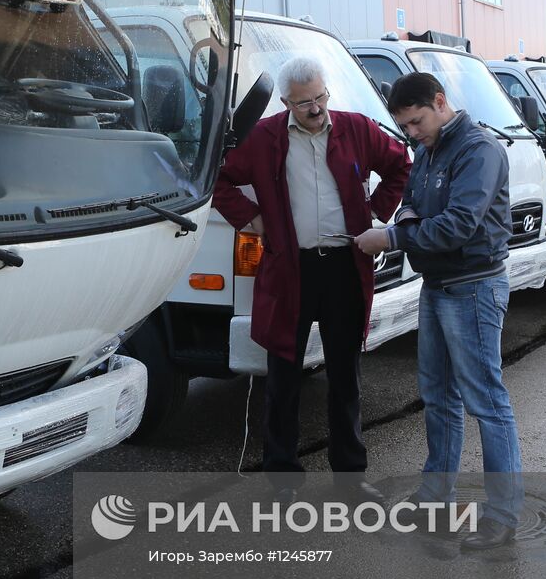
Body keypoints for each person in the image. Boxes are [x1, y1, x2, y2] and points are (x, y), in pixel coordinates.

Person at [213, 57, 410, 496]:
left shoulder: (356, 128)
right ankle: (282, 477)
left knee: (345, 377)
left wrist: (378, 211)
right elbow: (220, 179)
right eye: (305, 103)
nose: (317, 108)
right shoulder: (264, 138)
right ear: (285, 102)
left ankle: (350, 477)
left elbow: (402, 164)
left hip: (344, 265)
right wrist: (251, 218)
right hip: (290, 270)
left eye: (321, 97)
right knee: (282, 378)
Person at [354, 71, 522, 549]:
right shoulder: (428, 151)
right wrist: (404, 221)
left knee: (486, 402)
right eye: (405, 127)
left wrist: (390, 237)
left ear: (440, 102)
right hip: (437, 286)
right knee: (438, 396)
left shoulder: (479, 151)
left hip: (473, 288)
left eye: (416, 121)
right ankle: (435, 497)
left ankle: (503, 516)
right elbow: (412, 206)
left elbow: (459, 224)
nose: (412, 133)